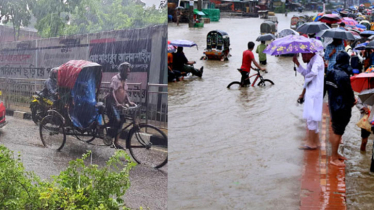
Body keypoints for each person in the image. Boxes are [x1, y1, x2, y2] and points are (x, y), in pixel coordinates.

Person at [324, 51, 357, 167]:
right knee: (338, 132)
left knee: (336, 130)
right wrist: (353, 101)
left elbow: (327, 89)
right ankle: (333, 157)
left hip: (333, 105)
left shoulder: (330, 72)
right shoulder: (343, 75)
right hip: (341, 107)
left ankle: (335, 153)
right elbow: (349, 92)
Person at [293, 49, 325, 150]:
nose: (302, 58)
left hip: (314, 92)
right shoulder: (312, 60)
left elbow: (313, 73)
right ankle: (316, 141)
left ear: (309, 53)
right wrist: (297, 63)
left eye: (303, 55)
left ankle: (311, 143)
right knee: (313, 117)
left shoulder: (317, 60)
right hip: (312, 91)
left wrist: (306, 80)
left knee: (311, 117)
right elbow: (307, 73)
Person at [105, 62, 136, 149]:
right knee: (117, 120)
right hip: (111, 103)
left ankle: (116, 142)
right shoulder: (115, 79)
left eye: (129, 71)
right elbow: (112, 92)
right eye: (127, 71)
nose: (128, 73)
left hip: (119, 104)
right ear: (122, 71)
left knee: (122, 121)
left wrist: (129, 102)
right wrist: (116, 103)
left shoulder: (125, 80)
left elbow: (125, 93)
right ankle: (108, 134)